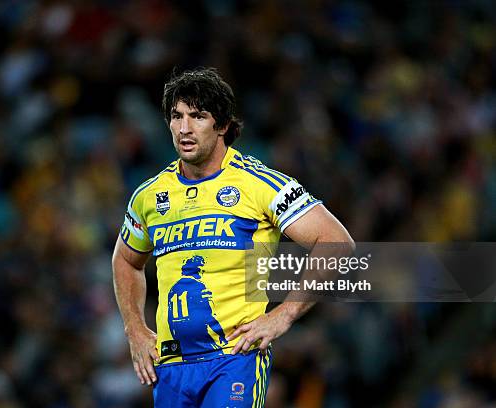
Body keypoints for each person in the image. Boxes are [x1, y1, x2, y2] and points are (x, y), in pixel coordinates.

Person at [112, 68, 354, 407]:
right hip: (171, 369)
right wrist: (134, 329)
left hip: (235, 359)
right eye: (176, 116)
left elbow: (336, 242)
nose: (184, 128)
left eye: (198, 116)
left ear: (223, 125)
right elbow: (125, 259)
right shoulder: (149, 196)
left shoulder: (260, 184)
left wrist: (283, 314)